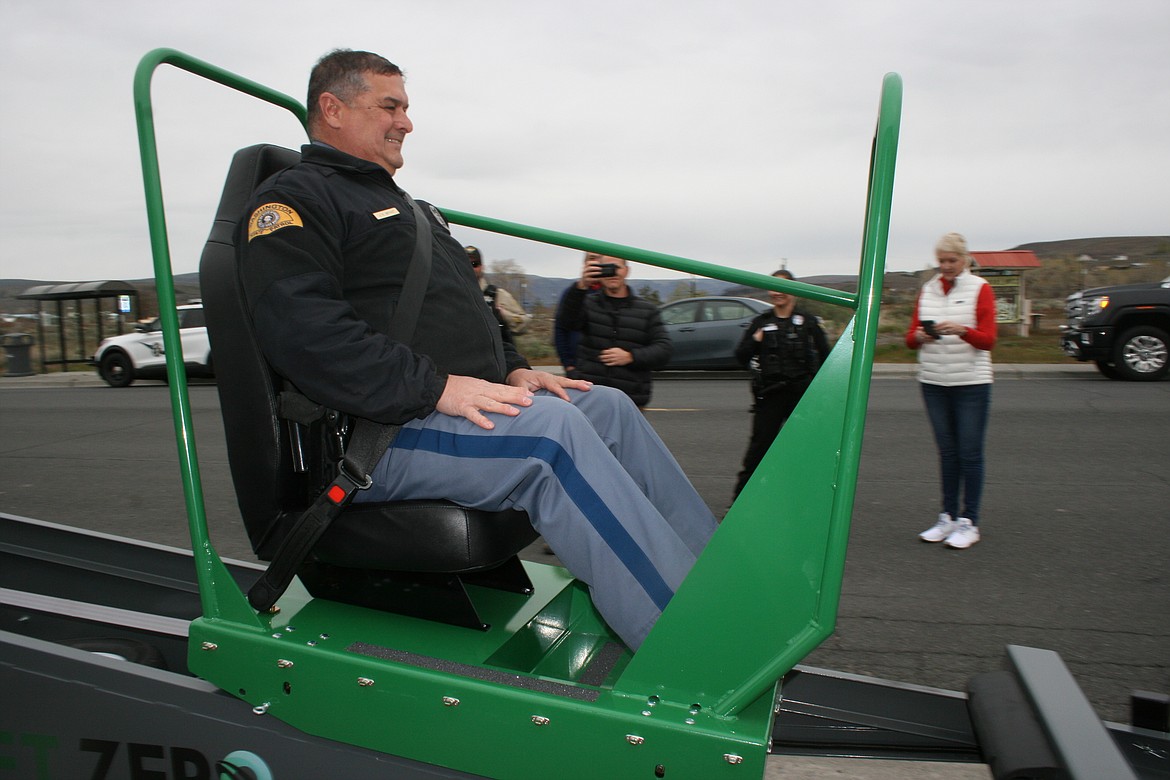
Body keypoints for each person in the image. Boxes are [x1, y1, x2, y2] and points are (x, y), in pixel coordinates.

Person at [238, 49, 716, 650]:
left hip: (447, 412)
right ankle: (690, 646)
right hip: (379, 434)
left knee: (608, 406)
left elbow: (472, 311)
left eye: (406, 107)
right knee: (551, 436)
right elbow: (305, 334)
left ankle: (713, 590)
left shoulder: (414, 211)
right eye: (390, 106)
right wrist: (437, 386)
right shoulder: (295, 201)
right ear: (332, 109)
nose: (407, 121)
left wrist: (515, 368)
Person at [906, 233, 996, 550]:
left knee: (969, 453)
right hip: (934, 382)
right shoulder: (927, 289)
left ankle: (969, 521)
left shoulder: (980, 288)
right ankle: (947, 517)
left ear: (965, 259)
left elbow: (988, 339)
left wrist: (962, 330)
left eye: (952, 261)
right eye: (941, 260)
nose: (945, 266)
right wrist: (920, 336)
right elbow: (909, 337)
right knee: (948, 454)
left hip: (971, 382)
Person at [731, 270, 830, 497]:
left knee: (806, 449)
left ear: (794, 291)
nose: (777, 292)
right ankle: (739, 502)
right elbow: (740, 357)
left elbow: (827, 357)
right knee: (758, 451)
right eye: (772, 287)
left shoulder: (808, 323)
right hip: (770, 395)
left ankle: (809, 498)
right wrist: (755, 341)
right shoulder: (761, 323)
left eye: (782, 287)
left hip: (802, 397)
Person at [556, 253, 672, 407]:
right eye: (607, 268)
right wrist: (581, 286)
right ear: (598, 272)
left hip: (631, 400)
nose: (613, 273)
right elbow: (567, 323)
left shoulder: (647, 310)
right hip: (591, 396)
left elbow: (664, 349)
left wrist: (631, 356)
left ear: (626, 270)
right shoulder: (586, 304)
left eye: (617, 267)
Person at [465, 245, 530, 344]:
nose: (470, 267)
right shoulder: (449, 295)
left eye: (474, 264)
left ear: (482, 267)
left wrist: (504, 315)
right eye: (466, 263)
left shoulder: (497, 295)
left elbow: (524, 323)